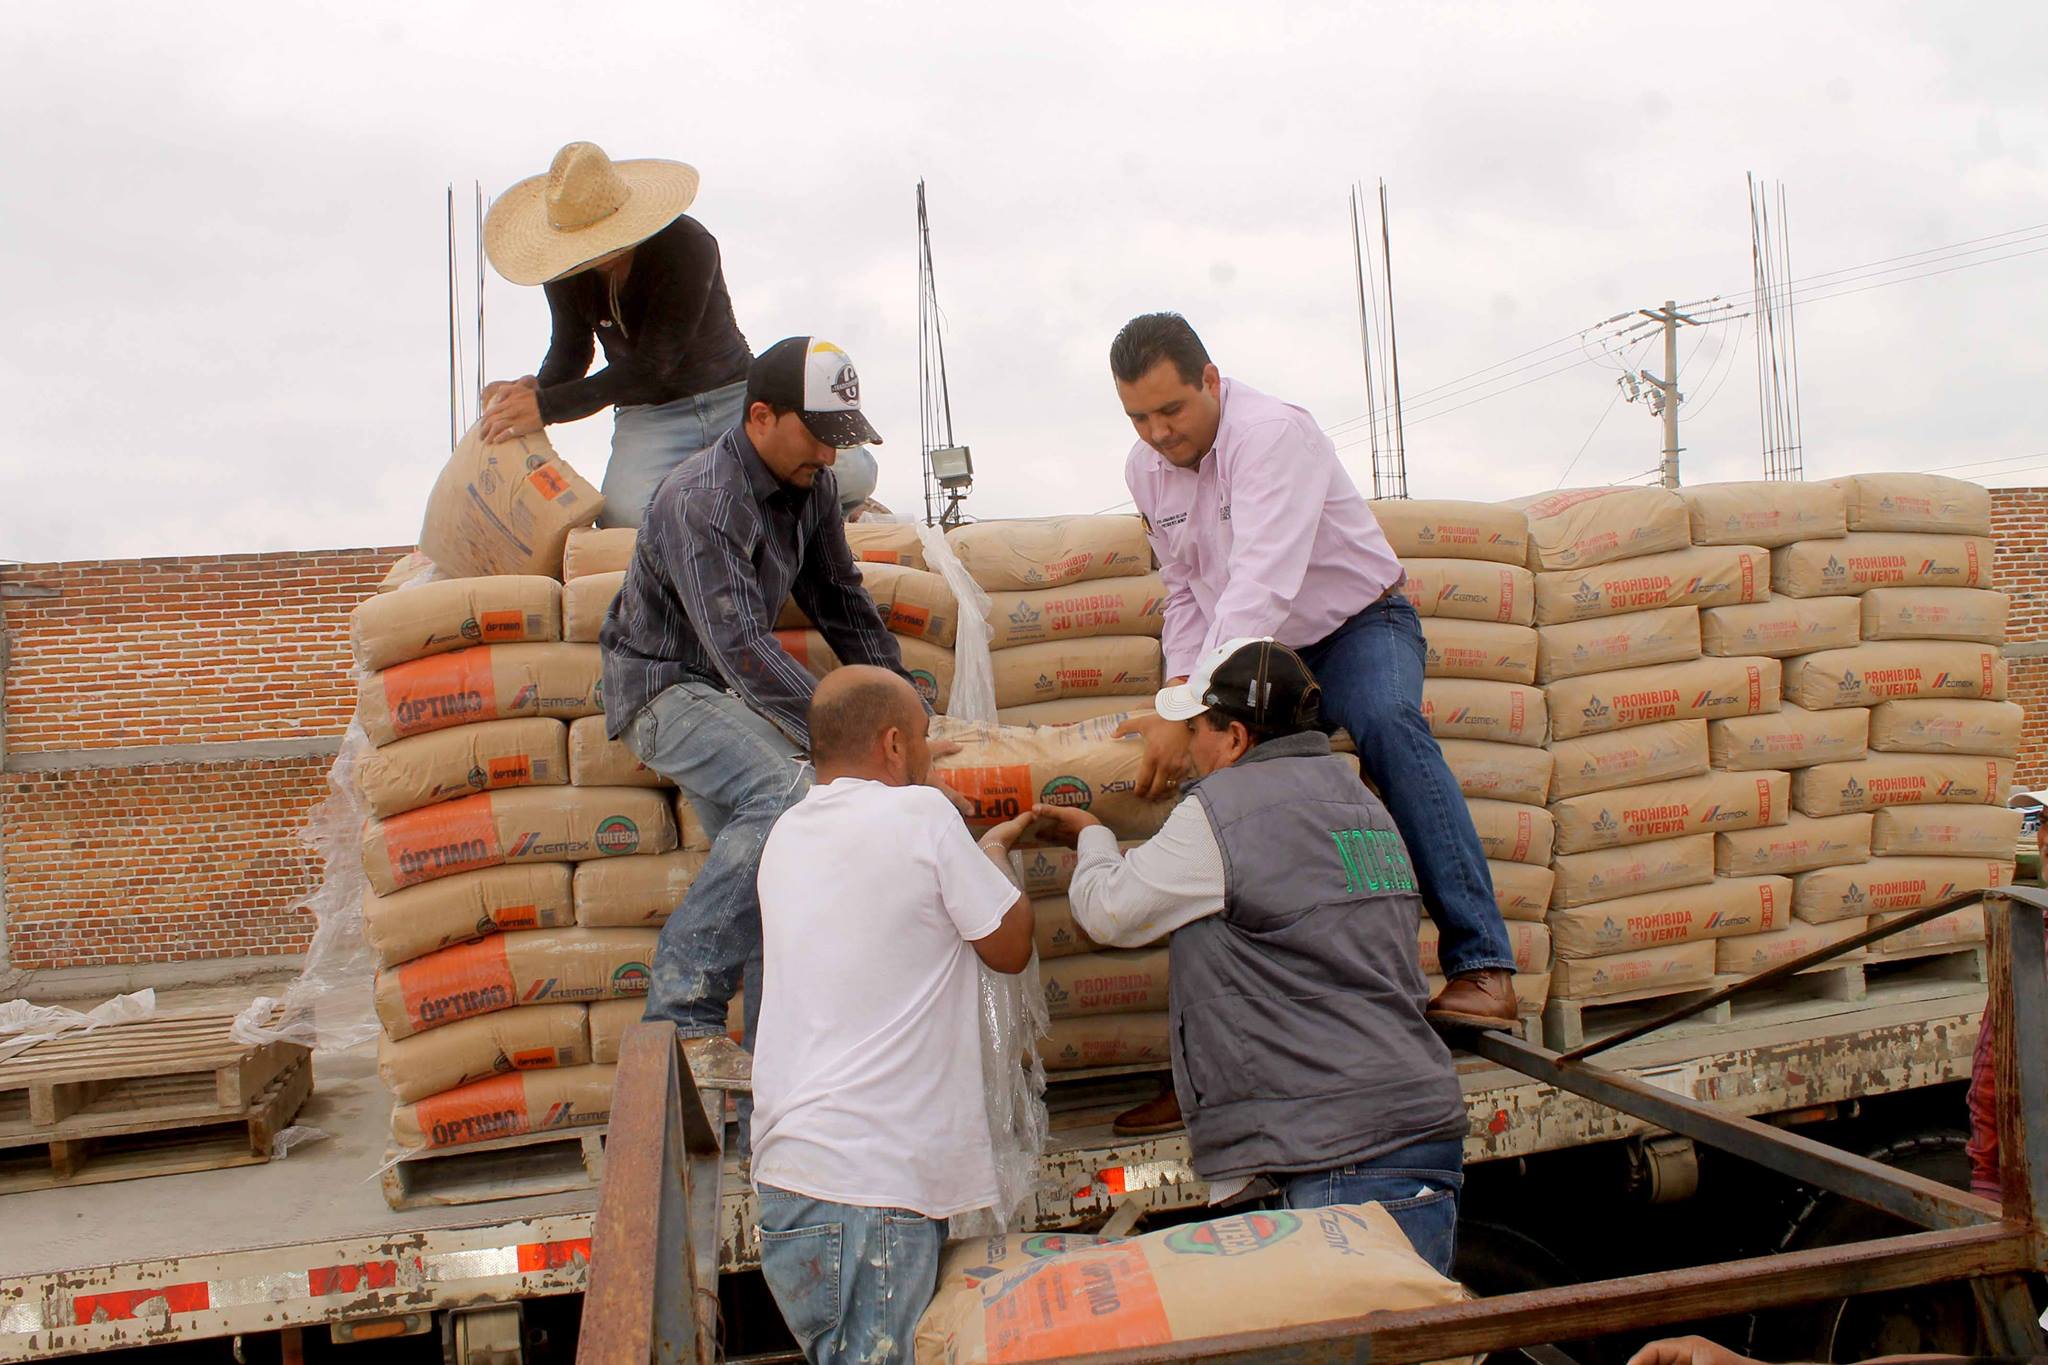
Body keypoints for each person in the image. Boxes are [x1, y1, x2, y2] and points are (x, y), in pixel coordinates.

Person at [1106, 312, 1518, 1038]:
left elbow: (1262, 582)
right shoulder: (1144, 471)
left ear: (1211, 379)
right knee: (1223, 795)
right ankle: (1231, 1035)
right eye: (1138, 416)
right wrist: (1179, 700)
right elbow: (1185, 593)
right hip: (1256, 657)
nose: (1158, 433)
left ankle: (1482, 965)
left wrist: (1189, 706)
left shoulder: (1272, 435)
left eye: (1171, 409)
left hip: (1356, 627)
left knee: (1389, 727)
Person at [1036, 638, 1468, 1275]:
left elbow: (1110, 912)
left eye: (1196, 730)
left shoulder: (1224, 810)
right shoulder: (1361, 802)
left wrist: (1092, 836)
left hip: (1338, 1152)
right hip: (1412, 1126)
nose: (1188, 749)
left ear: (1235, 738)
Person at [600, 335, 920, 1082]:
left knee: (788, 874)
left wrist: (900, 703)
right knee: (793, 794)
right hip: (665, 687)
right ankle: (681, 1011)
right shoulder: (701, 499)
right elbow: (739, 645)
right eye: (820, 436)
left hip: (728, 694)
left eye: (843, 440)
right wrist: (853, 733)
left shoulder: (813, 494)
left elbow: (842, 604)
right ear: (760, 418)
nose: (832, 458)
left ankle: (775, 1080)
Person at [751, 666, 1037, 1365]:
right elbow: (1008, 945)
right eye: (925, 738)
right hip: (870, 1190)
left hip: (795, 1185)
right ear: (893, 744)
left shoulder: (785, 833)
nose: (930, 754)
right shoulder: (920, 815)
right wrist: (993, 848)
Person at [478, 140, 753, 529]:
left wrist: (547, 406)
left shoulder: (687, 246)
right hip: (649, 415)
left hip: (733, 393)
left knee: (847, 474)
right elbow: (571, 350)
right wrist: (535, 392)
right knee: (622, 518)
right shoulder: (564, 271)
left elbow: (655, 363)